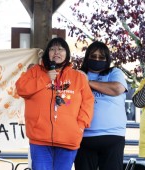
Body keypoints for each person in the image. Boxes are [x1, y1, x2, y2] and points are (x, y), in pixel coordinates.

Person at [15, 37, 94, 170]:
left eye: (60, 49)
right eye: (52, 49)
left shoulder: (78, 77)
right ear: (47, 53)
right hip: (39, 139)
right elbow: (21, 89)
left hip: (68, 139)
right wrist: (45, 78)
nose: (56, 52)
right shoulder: (35, 71)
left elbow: (88, 103)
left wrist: (80, 126)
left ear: (67, 53)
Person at [74, 41, 128, 170]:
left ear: (107, 59)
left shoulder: (114, 72)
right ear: (87, 57)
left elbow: (117, 89)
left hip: (113, 136)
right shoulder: (77, 74)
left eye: (101, 57)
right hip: (83, 137)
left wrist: (88, 82)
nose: (97, 59)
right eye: (93, 56)